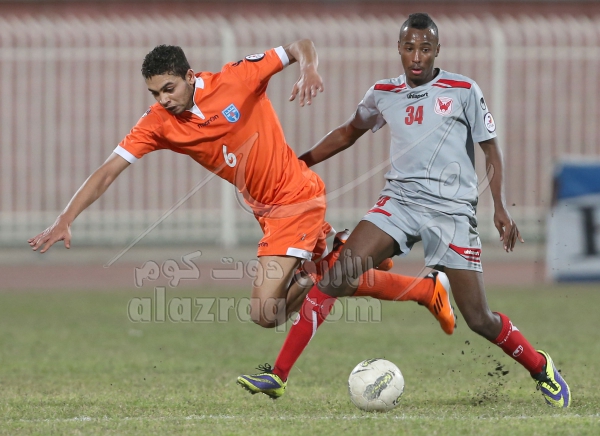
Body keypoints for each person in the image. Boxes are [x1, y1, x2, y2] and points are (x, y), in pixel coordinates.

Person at [237, 14, 570, 408]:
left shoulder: (463, 90)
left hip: (451, 213)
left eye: (425, 48)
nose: (417, 56)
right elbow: (347, 132)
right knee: (336, 276)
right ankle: (278, 375)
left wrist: (500, 206)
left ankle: (541, 367)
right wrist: (300, 162)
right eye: (409, 48)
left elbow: (490, 149)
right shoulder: (383, 92)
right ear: (399, 48)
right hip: (400, 202)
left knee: (479, 318)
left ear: (437, 51)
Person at [28, 41, 453, 338]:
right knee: (327, 282)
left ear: (189, 76)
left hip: (296, 198)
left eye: (169, 89)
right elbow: (107, 171)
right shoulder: (158, 123)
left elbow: (300, 44)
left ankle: (325, 265)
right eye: (155, 93)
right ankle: (423, 289)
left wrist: (308, 67)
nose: (163, 100)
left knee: (265, 312)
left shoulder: (237, 78)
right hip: (268, 211)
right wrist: (66, 218)